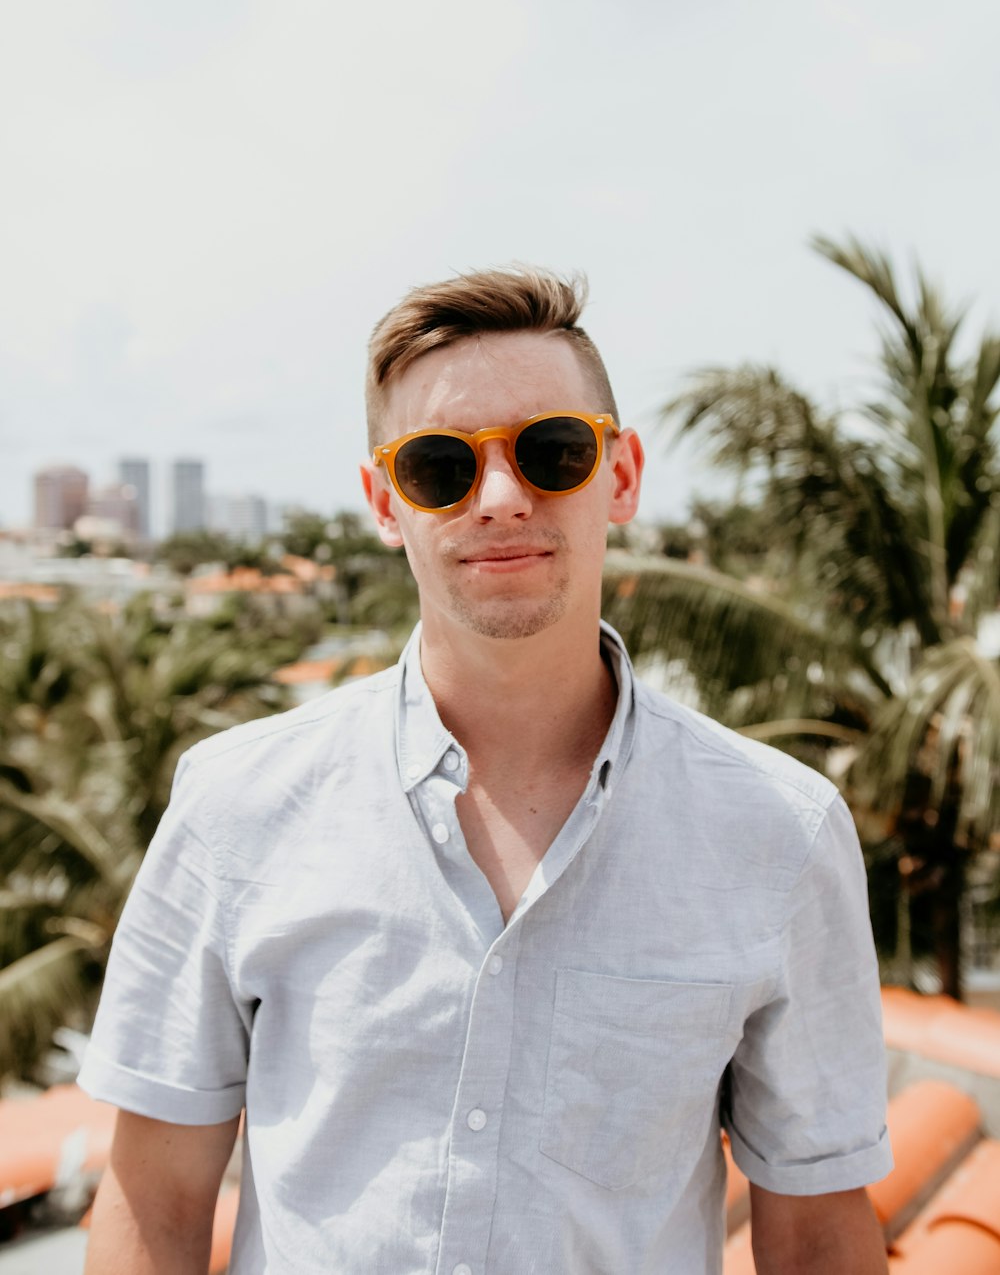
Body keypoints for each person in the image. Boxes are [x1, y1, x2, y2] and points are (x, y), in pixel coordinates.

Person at [80, 268, 892, 1274]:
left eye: (551, 453)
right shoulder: (235, 806)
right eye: (438, 466)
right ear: (385, 503)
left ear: (622, 474)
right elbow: (153, 1201)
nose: (500, 498)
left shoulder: (781, 833)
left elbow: (817, 1232)